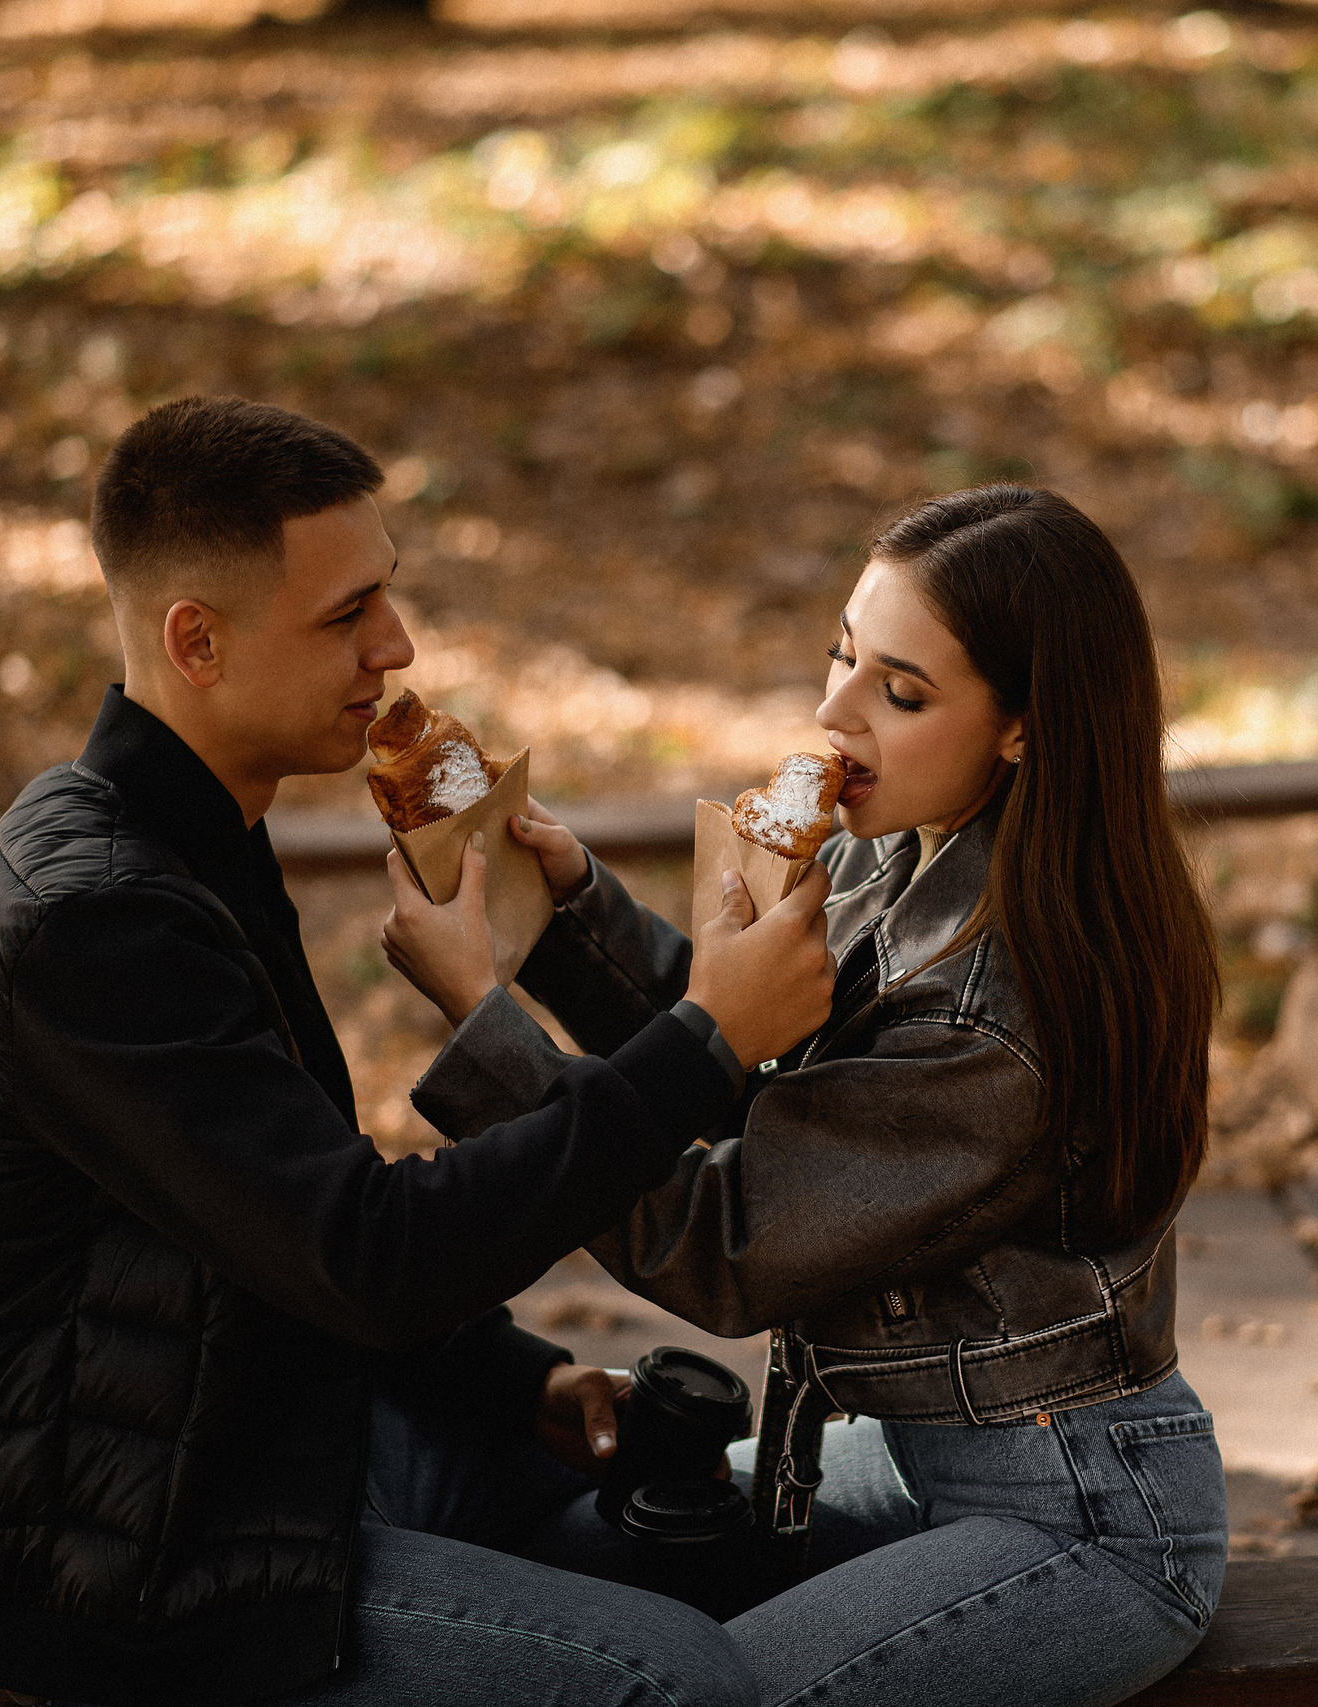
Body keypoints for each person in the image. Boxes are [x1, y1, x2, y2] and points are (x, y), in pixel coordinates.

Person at [0, 396, 836, 1707]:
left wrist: (520, 1380)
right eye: (344, 616)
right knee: (683, 1676)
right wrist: (704, 1042)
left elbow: (280, 1230)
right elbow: (370, 1254)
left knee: (695, 1533)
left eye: (386, 595)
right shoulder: (92, 917)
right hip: (123, 1566)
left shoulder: (193, 838)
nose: (398, 645)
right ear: (193, 639)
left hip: (253, 1436)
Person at [387, 485, 1229, 1707]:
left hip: (1080, 1513)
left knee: (682, 1691)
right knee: (556, 1571)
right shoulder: (889, 850)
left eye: (902, 692)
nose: (834, 716)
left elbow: (723, 1243)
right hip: (905, 1453)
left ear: (1024, 730)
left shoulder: (998, 1013)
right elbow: (768, 1075)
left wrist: (486, 1026)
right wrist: (574, 917)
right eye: (842, 654)